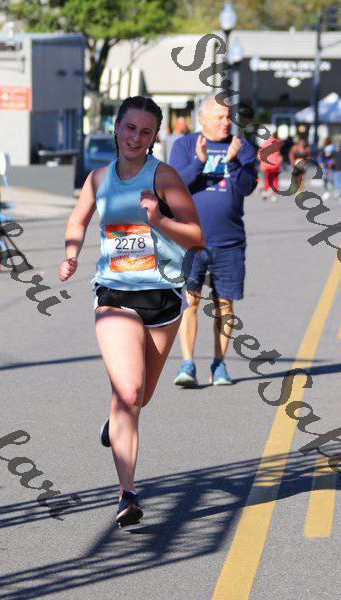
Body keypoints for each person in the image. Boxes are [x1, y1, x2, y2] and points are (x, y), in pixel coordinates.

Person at [58, 96, 204, 528]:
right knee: (128, 392)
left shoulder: (164, 177)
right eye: (129, 128)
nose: (135, 138)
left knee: (140, 397)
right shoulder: (98, 178)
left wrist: (159, 220)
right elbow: (78, 221)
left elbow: (195, 236)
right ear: (116, 128)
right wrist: (71, 254)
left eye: (145, 131)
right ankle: (127, 493)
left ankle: (116, 422)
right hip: (114, 294)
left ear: (154, 136)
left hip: (162, 298)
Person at [169, 94, 258, 388]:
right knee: (190, 301)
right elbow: (174, 185)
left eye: (229, 117)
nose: (226, 122)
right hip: (190, 240)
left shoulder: (242, 147)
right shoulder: (184, 145)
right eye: (219, 117)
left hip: (229, 241)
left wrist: (233, 163)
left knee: (225, 305)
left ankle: (219, 365)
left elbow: (247, 187)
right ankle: (187, 363)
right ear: (202, 118)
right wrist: (199, 161)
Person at [258, 133, 282, 202]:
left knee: (267, 178)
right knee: (275, 179)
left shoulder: (264, 143)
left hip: (266, 165)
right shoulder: (277, 142)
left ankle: (265, 192)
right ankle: (273, 195)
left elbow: (259, 155)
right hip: (275, 164)